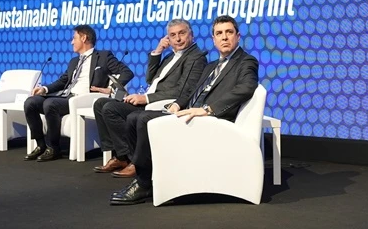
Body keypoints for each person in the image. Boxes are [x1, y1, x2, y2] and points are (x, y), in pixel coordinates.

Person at [109, 15, 259, 205]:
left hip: (212, 122)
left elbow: (246, 87)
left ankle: (144, 183)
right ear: (213, 39)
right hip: (189, 114)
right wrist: (178, 104)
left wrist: (208, 109)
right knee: (134, 118)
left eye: (229, 32)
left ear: (238, 36)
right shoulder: (213, 65)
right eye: (219, 33)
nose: (224, 37)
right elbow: (191, 91)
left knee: (144, 119)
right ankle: (144, 174)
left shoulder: (246, 61)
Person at [92, 19, 207, 177]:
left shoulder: (196, 57)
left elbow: (182, 91)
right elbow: (149, 78)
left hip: (162, 104)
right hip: (150, 100)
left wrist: (146, 99)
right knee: (101, 104)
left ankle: (134, 160)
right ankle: (121, 156)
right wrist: (158, 51)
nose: (178, 39)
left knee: (112, 109)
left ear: (191, 35)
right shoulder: (170, 56)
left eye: (182, 33)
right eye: (173, 35)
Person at [24, 25, 133, 162]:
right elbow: (63, 81)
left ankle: (53, 148)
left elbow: (127, 72)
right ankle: (40, 145)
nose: (71, 42)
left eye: (74, 38)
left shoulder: (104, 57)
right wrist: (44, 89)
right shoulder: (74, 61)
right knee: (31, 102)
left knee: (50, 104)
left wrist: (111, 88)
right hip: (66, 96)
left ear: (84, 38)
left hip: (84, 99)